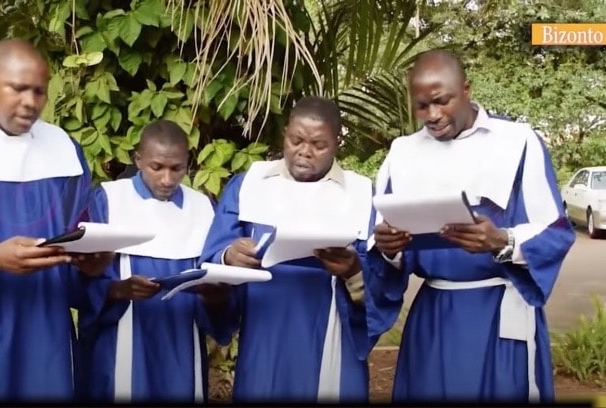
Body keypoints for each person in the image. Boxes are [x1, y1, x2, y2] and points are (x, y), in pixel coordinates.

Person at [367, 49, 576, 403]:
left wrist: (502, 240)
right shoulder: (402, 152)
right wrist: (388, 249)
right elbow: (380, 243)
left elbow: (555, 232)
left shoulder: (517, 142)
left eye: (441, 101)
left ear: (466, 89)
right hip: (433, 315)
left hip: (499, 312)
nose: (432, 116)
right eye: (421, 105)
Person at [200, 96, 376, 403]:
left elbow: (383, 277)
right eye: (296, 140)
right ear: (285, 134)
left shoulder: (360, 194)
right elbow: (214, 254)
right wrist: (229, 256)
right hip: (265, 328)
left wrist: (352, 271)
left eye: (318, 145)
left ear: (336, 142)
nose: (304, 152)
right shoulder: (250, 185)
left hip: (332, 327)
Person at [75, 120, 237, 403]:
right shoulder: (109, 200)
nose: (167, 179)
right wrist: (115, 290)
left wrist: (215, 295)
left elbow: (215, 277)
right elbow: (83, 275)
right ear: (138, 160)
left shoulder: (202, 207)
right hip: (122, 337)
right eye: (156, 167)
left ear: (188, 162)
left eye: (177, 168)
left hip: (180, 339)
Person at [0, 38, 111, 402]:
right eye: (17, 88)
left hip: (48, 324)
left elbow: (79, 229)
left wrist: (91, 263)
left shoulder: (63, 149)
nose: (30, 102)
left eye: (39, 91)